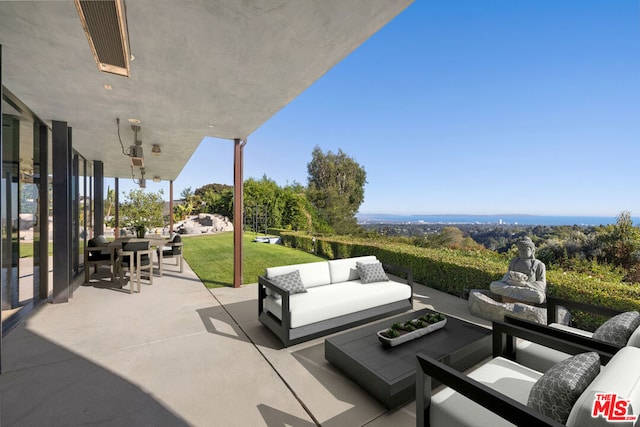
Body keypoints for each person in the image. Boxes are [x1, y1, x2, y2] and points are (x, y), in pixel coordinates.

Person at [490, 237, 546, 304]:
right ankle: (516, 295)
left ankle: (515, 296)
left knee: (539, 296)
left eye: (525, 250)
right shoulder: (514, 261)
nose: (522, 252)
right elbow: (507, 276)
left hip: (526, 289)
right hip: (512, 286)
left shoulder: (539, 264)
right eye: (520, 249)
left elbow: (542, 284)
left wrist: (524, 284)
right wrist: (509, 280)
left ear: (532, 251)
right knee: (493, 285)